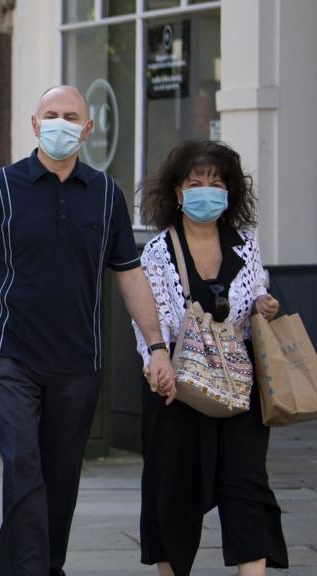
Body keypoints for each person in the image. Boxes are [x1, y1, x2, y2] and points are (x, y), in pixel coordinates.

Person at [0, 85, 175, 576]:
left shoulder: (106, 193)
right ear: (34, 125)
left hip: (78, 364)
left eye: (71, 116)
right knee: (24, 469)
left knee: (61, 478)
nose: (60, 123)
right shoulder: (1, 189)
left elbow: (129, 272)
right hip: (12, 358)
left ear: (88, 129)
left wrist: (157, 346)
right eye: (51, 115)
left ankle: (44, 566)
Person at [133, 139, 288, 576]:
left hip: (239, 387)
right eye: (196, 182)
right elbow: (150, 318)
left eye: (216, 183)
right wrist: (155, 360)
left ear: (230, 192)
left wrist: (264, 304)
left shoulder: (245, 245)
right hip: (176, 388)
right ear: (177, 192)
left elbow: (256, 292)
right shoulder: (158, 251)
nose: (207, 191)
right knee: (174, 491)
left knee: (246, 486)